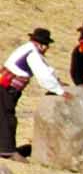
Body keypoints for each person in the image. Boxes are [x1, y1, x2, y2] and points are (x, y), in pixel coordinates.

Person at [0, 27, 63, 159]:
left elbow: (47, 68)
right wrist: (59, 90)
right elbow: (43, 74)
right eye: (45, 45)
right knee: (7, 118)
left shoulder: (30, 49)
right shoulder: (32, 53)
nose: (47, 48)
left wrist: (58, 81)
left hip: (8, 88)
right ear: (40, 44)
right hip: (6, 88)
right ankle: (7, 151)